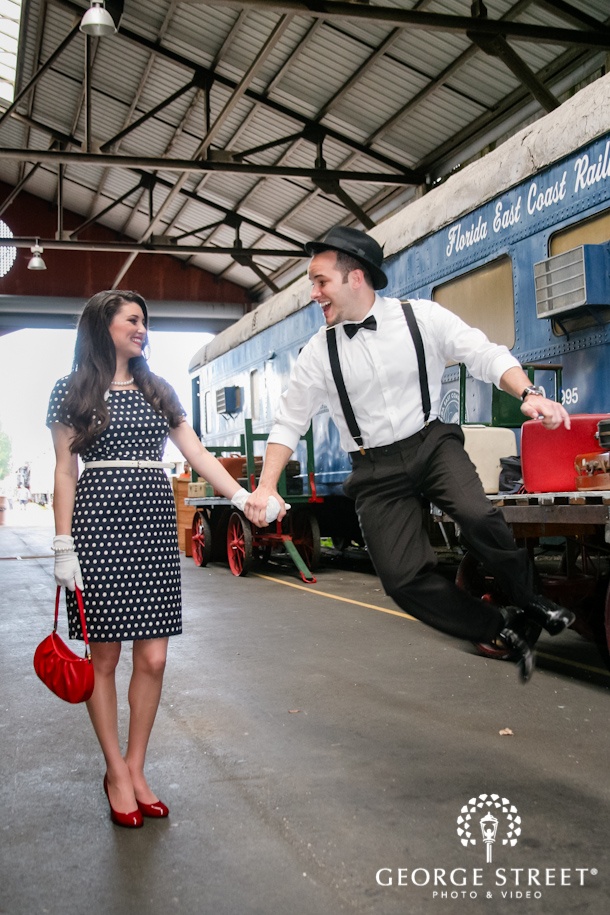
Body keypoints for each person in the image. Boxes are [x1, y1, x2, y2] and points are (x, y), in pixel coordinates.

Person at [244, 226, 575, 683]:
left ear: (355, 277)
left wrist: (528, 392)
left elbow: (483, 353)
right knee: (402, 581)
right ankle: (501, 628)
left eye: (320, 281)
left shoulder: (422, 318)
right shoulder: (318, 353)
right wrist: (264, 486)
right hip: (373, 469)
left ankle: (532, 598)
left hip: (430, 443)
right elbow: (288, 422)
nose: (314, 293)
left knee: (478, 516)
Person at [47, 290, 270, 829]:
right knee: (103, 661)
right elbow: (63, 470)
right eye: (132, 320)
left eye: (144, 321)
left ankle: (137, 767)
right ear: (103, 327)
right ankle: (115, 773)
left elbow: (197, 454)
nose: (142, 328)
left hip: (151, 529)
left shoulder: (156, 389)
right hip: (97, 529)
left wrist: (242, 498)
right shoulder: (71, 391)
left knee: (154, 659)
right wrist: (61, 544)